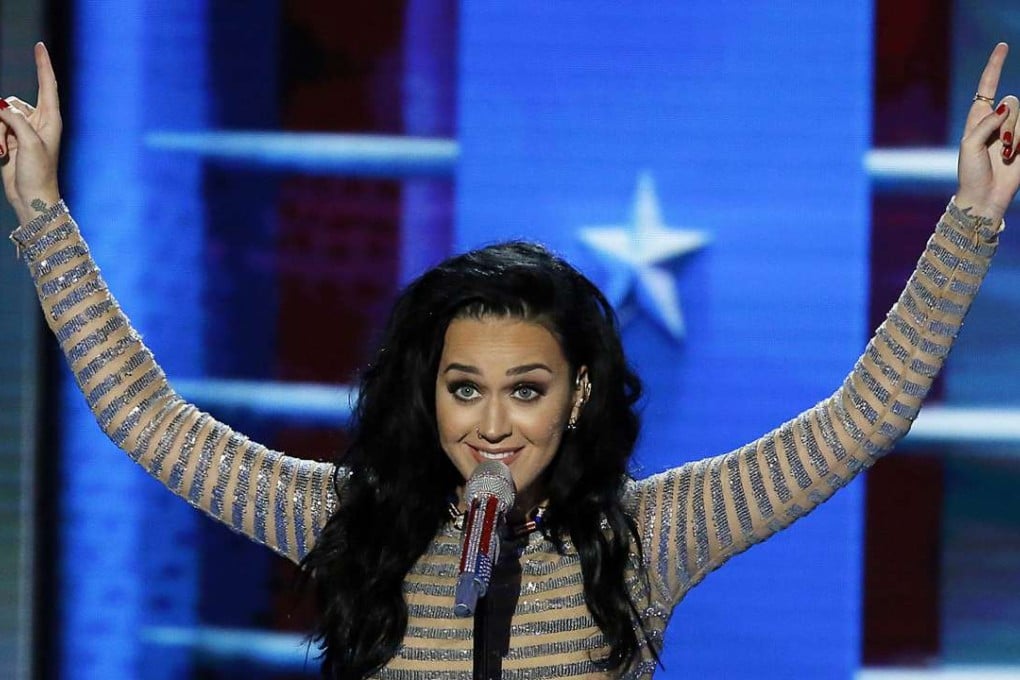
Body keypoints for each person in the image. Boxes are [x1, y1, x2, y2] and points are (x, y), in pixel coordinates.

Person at [1, 41, 1018, 680]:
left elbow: (862, 419)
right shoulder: (349, 519)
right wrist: (43, 213)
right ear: (427, 392)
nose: (491, 423)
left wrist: (971, 215)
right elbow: (148, 420)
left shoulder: (651, 534)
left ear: (576, 394)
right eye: (463, 387)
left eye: (525, 389)